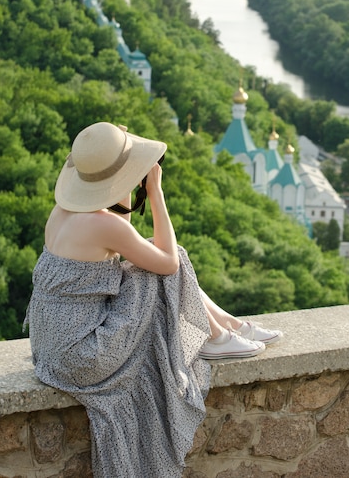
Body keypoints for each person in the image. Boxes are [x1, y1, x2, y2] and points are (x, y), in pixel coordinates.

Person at [27, 122, 282, 478]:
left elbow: (123, 224)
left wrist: (122, 178)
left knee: (150, 252)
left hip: (51, 347)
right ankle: (216, 337)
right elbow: (168, 264)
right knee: (165, 258)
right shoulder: (105, 226)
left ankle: (227, 327)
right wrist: (155, 191)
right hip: (83, 356)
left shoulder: (64, 213)